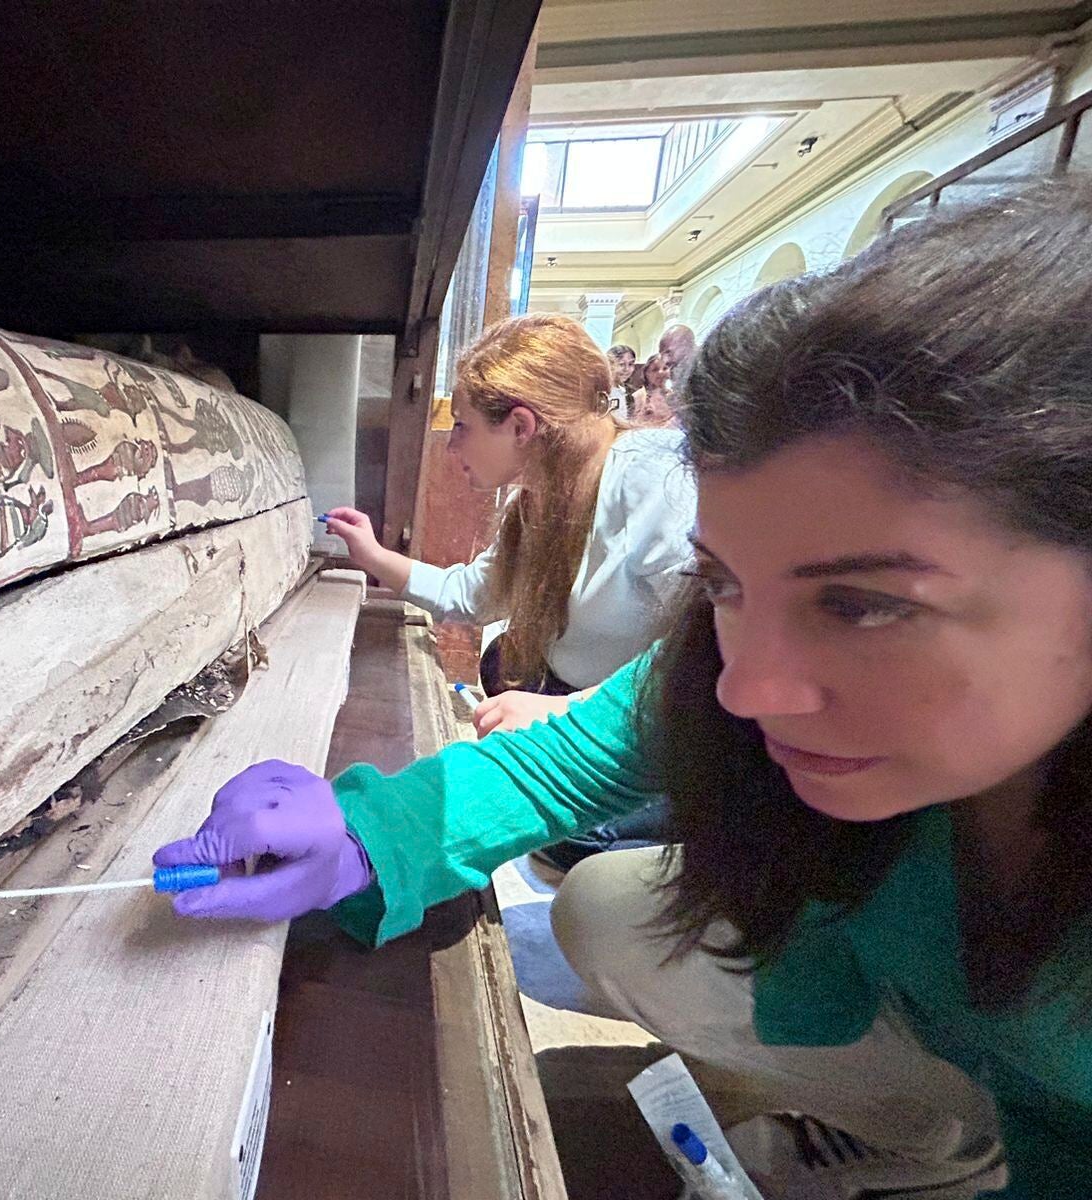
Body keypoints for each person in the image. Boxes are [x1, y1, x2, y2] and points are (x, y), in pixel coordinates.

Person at [158, 184, 1092, 1198]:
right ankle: (927, 1131)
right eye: (725, 584)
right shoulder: (696, 639)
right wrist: (360, 838)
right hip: (958, 1019)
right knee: (608, 906)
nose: (746, 690)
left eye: (865, 605)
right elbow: (568, 757)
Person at [321, 313, 695, 737]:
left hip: (639, 733)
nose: (451, 445)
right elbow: (470, 596)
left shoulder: (650, 475)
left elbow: (703, 650)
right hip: (581, 715)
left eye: (462, 425)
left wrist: (566, 710)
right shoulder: (536, 501)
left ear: (520, 426)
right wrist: (371, 553)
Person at [630, 353, 675, 426]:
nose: (661, 372)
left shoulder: (674, 395)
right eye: (655, 369)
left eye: (665, 368)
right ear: (646, 374)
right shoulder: (637, 397)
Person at [605, 342, 636, 413]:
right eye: (621, 364)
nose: (626, 369)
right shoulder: (605, 392)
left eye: (631, 364)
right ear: (609, 364)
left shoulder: (626, 391)